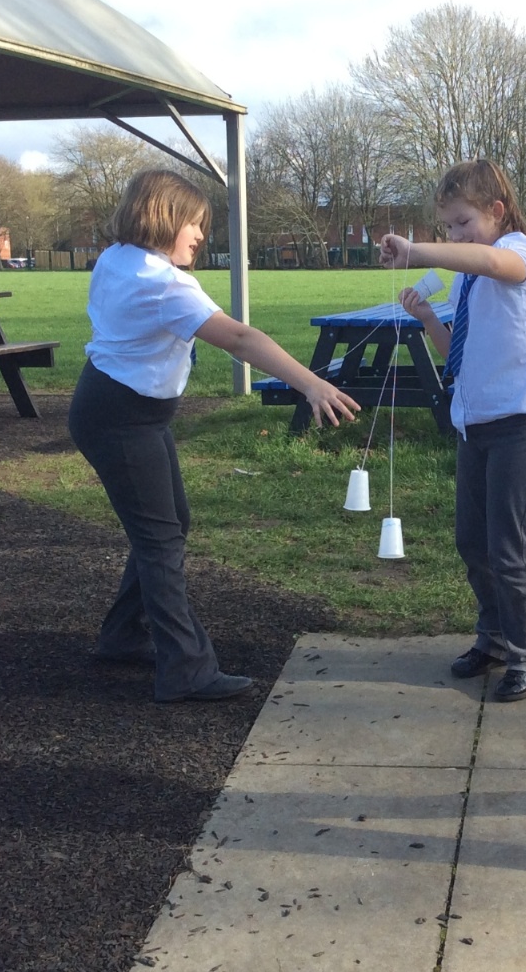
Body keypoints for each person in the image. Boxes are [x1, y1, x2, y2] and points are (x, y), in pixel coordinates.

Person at [68, 169, 359, 703]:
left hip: (116, 408)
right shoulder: (162, 284)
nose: (201, 235)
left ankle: (123, 634)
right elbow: (240, 339)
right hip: (122, 418)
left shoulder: (117, 258)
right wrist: (312, 384)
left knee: (169, 525)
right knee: (160, 539)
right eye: (194, 223)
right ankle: (186, 669)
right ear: (162, 218)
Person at [378, 159, 526, 702]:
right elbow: (457, 352)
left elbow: (489, 259)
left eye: (462, 223)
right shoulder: (470, 279)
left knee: (508, 546)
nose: (455, 236)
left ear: (497, 211)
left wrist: (417, 252)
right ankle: (495, 639)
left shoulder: (518, 253)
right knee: (472, 542)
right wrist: (429, 319)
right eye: (447, 227)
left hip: (522, 423)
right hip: (474, 424)